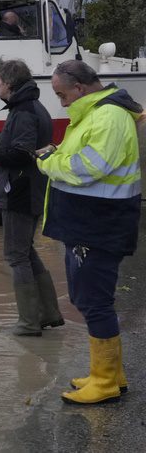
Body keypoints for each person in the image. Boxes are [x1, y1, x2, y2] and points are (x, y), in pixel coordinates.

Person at [35, 59, 142, 404]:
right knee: (87, 298)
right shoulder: (98, 114)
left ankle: (107, 381)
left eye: (62, 95)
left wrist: (48, 162)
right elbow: (83, 158)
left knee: (94, 301)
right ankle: (109, 374)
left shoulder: (107, 117)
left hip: (98, 225)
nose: (61, 103)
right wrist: (58, 154)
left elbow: (88, 168)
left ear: (79, 88)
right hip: (90, 224)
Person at [0, 59, 64, 336]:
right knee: (26, 251)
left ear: (10, 84)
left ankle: (28, 322)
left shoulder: (24, 111)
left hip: (20, 192)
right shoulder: (31, 107)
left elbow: (20, 155)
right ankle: (48, 314)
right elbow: (22, 149)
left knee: (16, 256)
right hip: (30, 189)